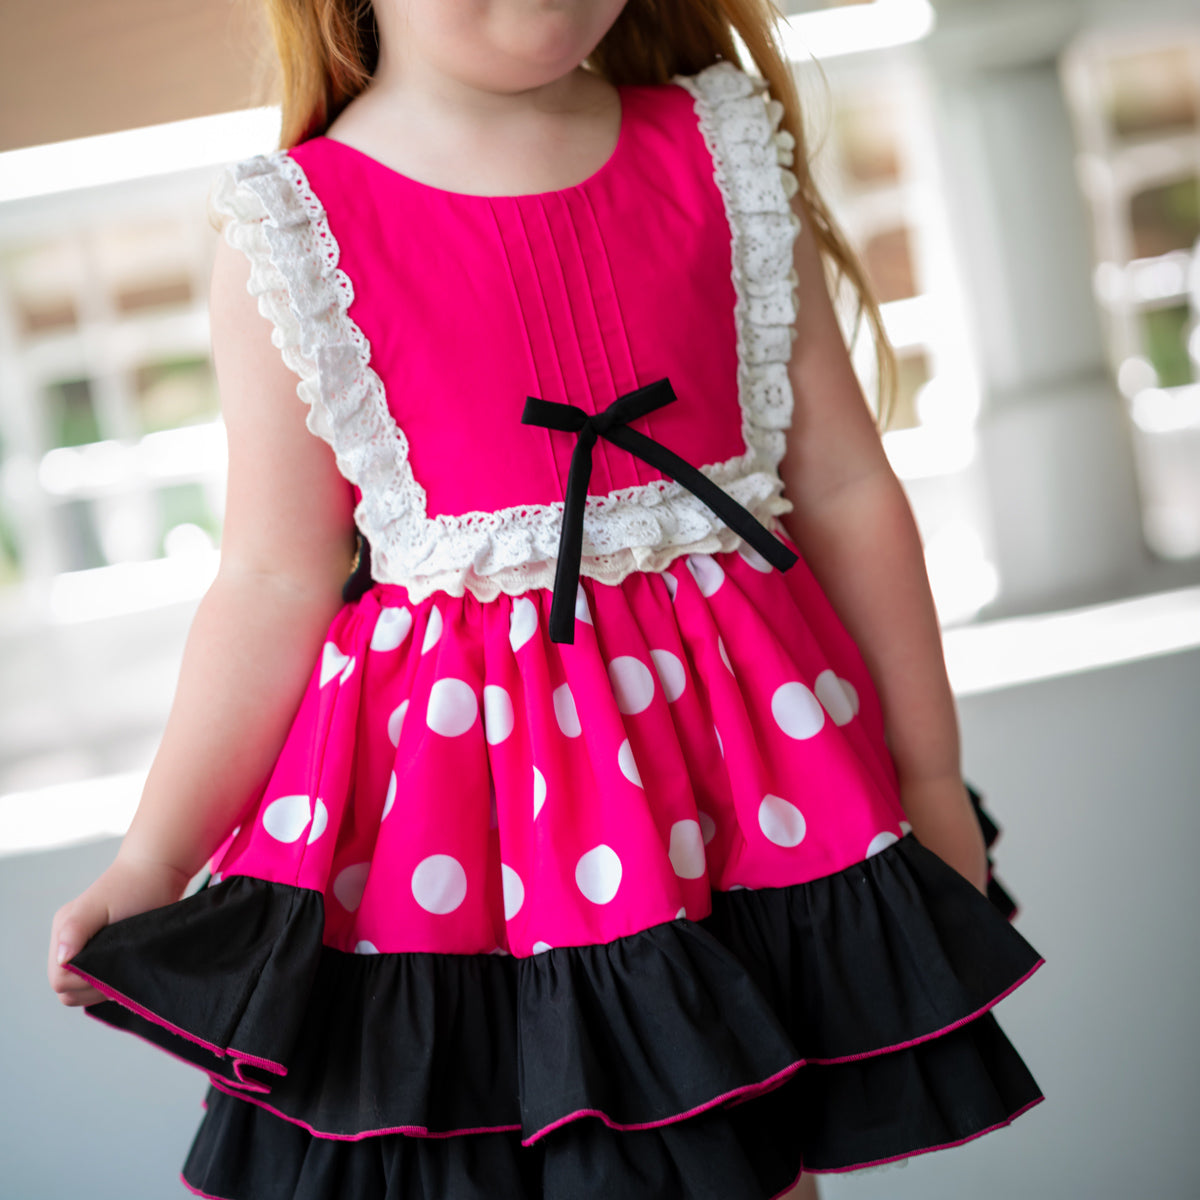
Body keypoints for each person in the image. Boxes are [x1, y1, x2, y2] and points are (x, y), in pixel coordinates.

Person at [47, 1, 1044, 1197]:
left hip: (747, 788)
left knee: (752, 1161)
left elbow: (842, 485)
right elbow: (272, 578)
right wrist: (154, 861)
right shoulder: (298, 226)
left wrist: (928, 776)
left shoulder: (718, 146)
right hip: (480, 836)